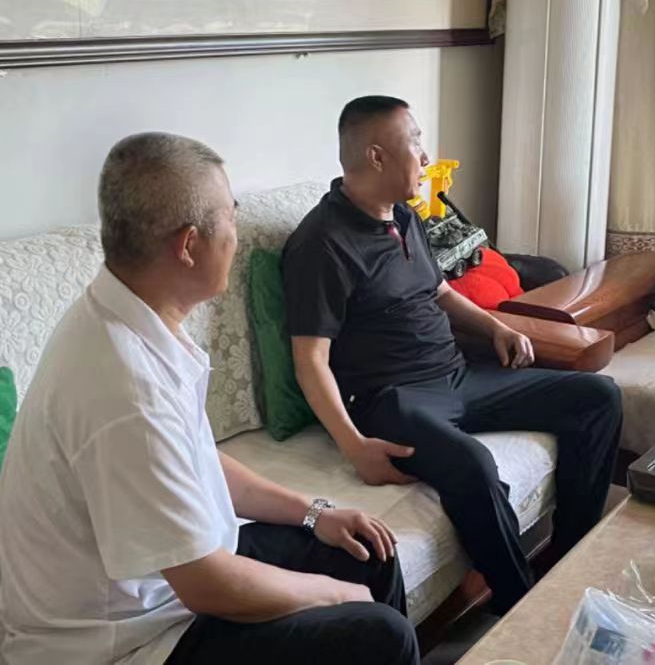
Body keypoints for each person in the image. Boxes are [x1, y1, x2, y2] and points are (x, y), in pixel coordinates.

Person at [0, 134, 419, 665]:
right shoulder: (124, 387)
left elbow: (195, 459)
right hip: (123, 639)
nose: (235, 235)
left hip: (168, 585)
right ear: (189, 245)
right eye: (231, 217)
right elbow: (207, 585)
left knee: (368, 552)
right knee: (379, 633)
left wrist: (316, 513)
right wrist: (336, 596)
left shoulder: (129, 316)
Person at [282, 96, 623, 614]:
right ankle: (521, 606)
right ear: (376, 156)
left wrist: (495, 327)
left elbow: (439, 290)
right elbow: (310, 359)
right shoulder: (321, 244)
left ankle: (567, 561)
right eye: (414, 141)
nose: (425, 156)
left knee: (598, 397)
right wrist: (354, 446)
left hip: (458, 376)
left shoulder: (404, 214)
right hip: (393, 399)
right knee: (473, 465)